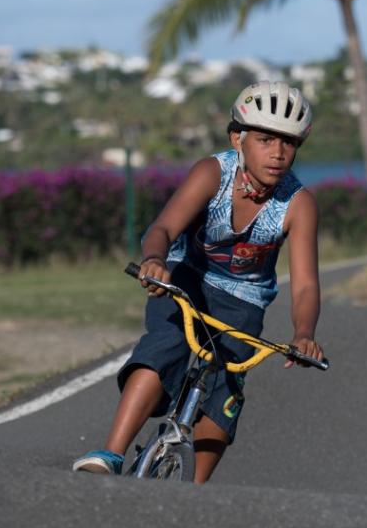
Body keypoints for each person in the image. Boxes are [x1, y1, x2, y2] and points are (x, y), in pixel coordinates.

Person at [72, 80, 325, 483]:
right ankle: (112, 453)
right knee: (164, 349)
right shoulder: (213, 172)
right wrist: (155, 260)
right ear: (237, 138)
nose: (278, 153)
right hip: (185, 277)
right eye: (265, 139)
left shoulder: (298, 203)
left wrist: (304, 332)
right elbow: (163, 228)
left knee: (226, 394)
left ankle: (192, 496)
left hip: (244, 300)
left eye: (289, 143)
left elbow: (307, 285)